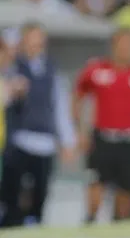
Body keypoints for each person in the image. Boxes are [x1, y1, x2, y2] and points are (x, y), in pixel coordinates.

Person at [74, 28, 130, 222]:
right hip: (103, 138)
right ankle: (90, 223)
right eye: (122, 44)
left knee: (126, 196)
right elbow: (78, 98)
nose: (126, 49)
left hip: (129, 140)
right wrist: (80, 132)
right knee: (96, 187)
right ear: (113, 46)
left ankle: (118, 227)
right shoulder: (96, 71)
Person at [0, 23, 77, 227]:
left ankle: (33, 223)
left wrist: (67, 140)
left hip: (44, 140)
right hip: (18, 140)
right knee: (12, 194)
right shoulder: (13, 66)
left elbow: (60, 107)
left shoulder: (52, 70)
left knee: (39, 193)